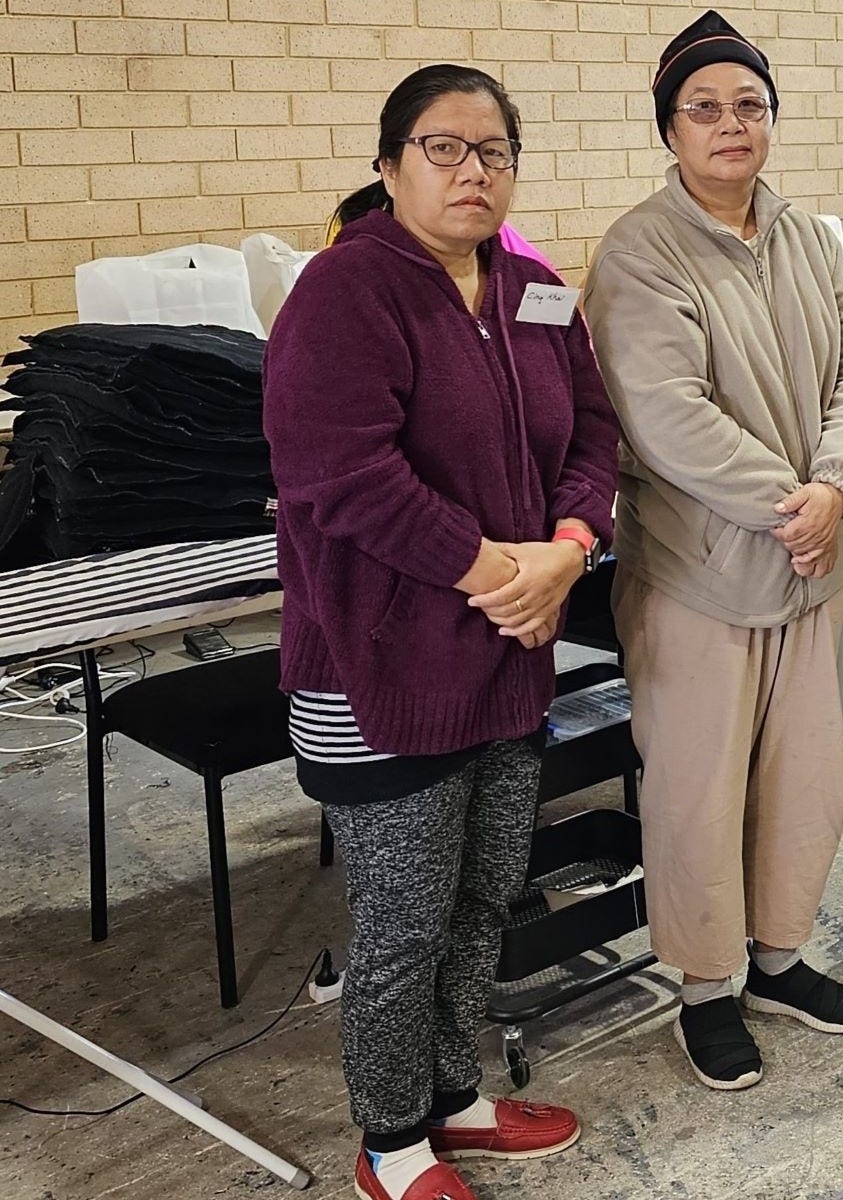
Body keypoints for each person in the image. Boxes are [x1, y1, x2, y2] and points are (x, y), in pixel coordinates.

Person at [263, 65, 619, 1200]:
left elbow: (594, 434)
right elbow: (342, 476)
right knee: (404, 924)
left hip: (508, 655)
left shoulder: (533, 284)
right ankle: (389, 1138)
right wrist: (492, 571)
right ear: (389, 164)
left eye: (495, 151)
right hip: (380, 666)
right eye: (444, 147)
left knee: (482, 898)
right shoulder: (345, 291)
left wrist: (569, 545)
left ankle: (456, 1096)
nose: (474, 170)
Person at [582, 11, 843, 1090]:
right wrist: (789, 502)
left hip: (811, 567)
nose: (729, 124)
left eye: (748, 104)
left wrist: (838, 487)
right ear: (670, 127)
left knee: (806, 781)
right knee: (698, 792)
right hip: (700, 572)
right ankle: (706, 987)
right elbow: (664, 415)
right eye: (703, 108)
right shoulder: (637, 251)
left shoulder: (809, 237)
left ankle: (779, 959)